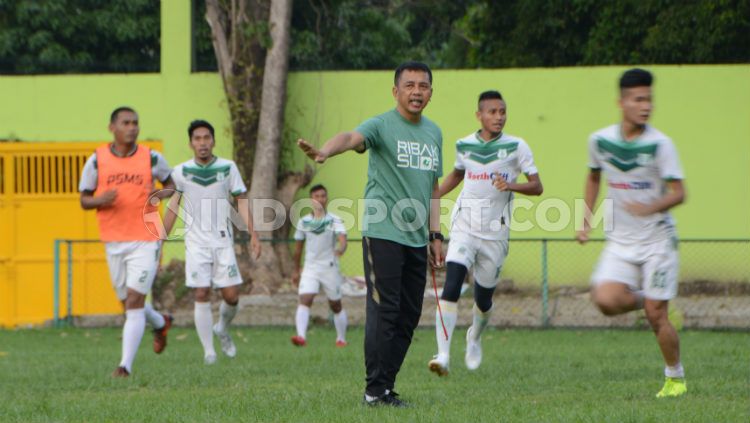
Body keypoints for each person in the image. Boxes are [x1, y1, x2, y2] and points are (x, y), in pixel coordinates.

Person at [297, 61, 444, 407]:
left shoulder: (434, 133)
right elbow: (351, 138)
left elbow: (433, 188)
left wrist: (436, 234)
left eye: (423, 86)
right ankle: (374, 390)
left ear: (430, 93)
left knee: (409, 314)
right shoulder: (382, 125)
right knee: (385, 309)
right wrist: (324, 151)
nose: (416, 92)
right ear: (396, 91)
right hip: (382, 231)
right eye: (409, 86)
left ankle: (385, 386)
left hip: (416, 235)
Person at [577, 68, 687, 398]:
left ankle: (675, 379)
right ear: (621, 102)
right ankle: (653, 301)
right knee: (605, 300)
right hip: (621, 240)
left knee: (656, 316)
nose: (645, 106)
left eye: (649, 99)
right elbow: (594, 176)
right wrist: (585, 218)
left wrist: (651, 207)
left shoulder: (661, 145)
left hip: (657, 240)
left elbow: (679, 192)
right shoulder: (600, 141)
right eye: (638, 99)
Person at [428, 90, 543, 376]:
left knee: (483, 300)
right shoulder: (464, 145)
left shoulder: (517, 146)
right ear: (479, 115)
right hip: (464, 226)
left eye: (502, 111)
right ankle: (442, 355)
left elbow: (537, 186)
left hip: (495, 235)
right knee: (451, 285)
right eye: (492, 112)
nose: (499, 117)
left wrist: (511, 186)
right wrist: (432, 196)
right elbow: (457, 174)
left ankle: (474, 337)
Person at [79, 106, 175, 377]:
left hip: (146, 238)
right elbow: (84, 199)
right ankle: (160, 322)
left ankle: (124, 367)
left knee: (133, 302)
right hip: (113, 240)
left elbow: (172, 186)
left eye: (135, 123)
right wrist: (99, 200)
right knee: (127, 302)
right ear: (112, 127)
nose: (132, 127)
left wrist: (156, 194)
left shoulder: (152, 158)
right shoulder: (97, 160)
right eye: (126, 123)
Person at [162, 120, 261, 365]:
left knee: (231, 296)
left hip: (222, 241)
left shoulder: (228, 167)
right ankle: (209, 352)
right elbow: (173, 207)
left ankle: (222, 328)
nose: (202, 143)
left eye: (207, 138)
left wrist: (254, 234)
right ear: (190, 143)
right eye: (197, 138)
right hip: (195, 243)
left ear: (213, 141)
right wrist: (160, 240)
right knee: (202, 292)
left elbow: (241, 200)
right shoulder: (180, 171)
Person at [290, 184, 349, 347]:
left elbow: (343, 240)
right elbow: (298, 249)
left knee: (335, 304)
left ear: (326, 198)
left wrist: (340, 250)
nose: (320, 199)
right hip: (310, 267)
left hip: (329, 266)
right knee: (305, 298)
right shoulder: (304, 221)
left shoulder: (334, 219)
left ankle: (341, 339)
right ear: (311, 200)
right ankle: (301, 337)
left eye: (323, 196)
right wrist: (296, 270)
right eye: (317, 196)